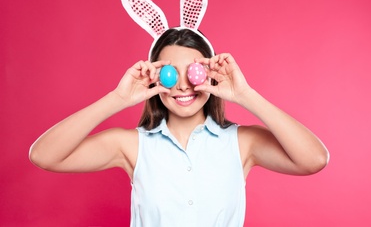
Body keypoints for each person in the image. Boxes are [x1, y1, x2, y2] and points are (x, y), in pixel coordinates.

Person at [29, 28, 329, 226]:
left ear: (209, 75)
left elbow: (313, 160)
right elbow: (44, 155)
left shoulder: (241, 143)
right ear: (157, 78)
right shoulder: (134, 145)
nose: (184, 85)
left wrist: (245, 95)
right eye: (172, 73)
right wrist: (118, 99)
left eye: (194, 72)